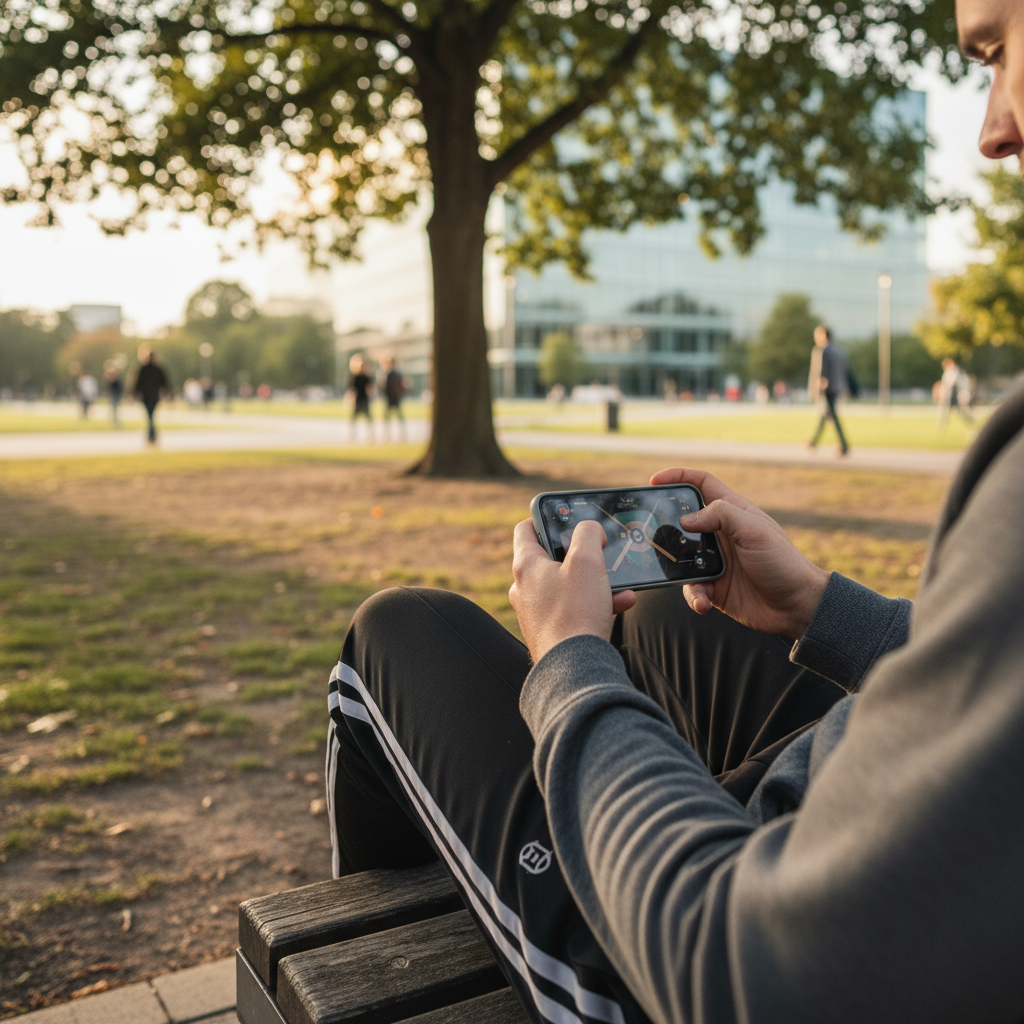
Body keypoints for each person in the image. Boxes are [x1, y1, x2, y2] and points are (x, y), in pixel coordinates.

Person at [324, 2, 1024, 1021]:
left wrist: (568, 665)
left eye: (1001, 51)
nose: (991, 130)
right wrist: (826, 610)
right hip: (907, 851)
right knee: (665, 604)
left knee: (397, 630)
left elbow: (755, 973)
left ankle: (379, 972)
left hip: (696, 960)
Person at [806, 324, 850, 455]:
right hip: (837, 387)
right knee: (827, 414)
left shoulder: (823, 350)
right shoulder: (839, 350)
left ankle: (843, 445)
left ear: (823, 335)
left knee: (831, 416)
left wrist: (815, 390)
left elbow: (821, 372)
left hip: (827, 389)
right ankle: (814, 442)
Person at [130, 346, 171, 445]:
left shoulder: (142, 368)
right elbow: (165, 383)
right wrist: (168, 394)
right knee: (151, 415)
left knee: (150, 415)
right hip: (154, 395)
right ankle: (152, 434)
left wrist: (133, 394)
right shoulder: (158, 368)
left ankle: (151, 434)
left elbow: (136, 383)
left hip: (146, 396)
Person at [936, 356, 975, 427]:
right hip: (952, 396)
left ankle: (971, 425)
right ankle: (942, 425)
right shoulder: (952, 372)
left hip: (956, 395)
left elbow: (952, 383)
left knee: (961, 411)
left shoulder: (955, 372)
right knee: (946, 410)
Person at [347, 354, 375, 441]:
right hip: (357, 400)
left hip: (365, 400)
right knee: (353, 420)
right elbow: (351, 390)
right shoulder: (354, 377)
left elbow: (370, 389)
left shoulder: (367, 377)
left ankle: (370, 436)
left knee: (368, 419)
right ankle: (351, 435)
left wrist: (372, 396)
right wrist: (351, 400)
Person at [381, 356, 407, 440]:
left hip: (394, 398)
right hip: (390, 398)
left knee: (397, 417)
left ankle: (401, 434)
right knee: (389, 418)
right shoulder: (388, 374)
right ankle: (388, 434)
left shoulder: (392, 375)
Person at [105, 362, 124, 428]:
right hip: (113, 396)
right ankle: (114, 422)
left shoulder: (117, 380)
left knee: (115, 409)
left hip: (116, 396)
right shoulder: (110, 380)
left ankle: (116, 422)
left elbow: (120, 388)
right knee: (113, 410)